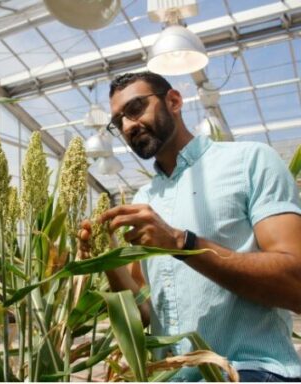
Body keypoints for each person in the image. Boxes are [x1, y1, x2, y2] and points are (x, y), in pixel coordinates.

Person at [78, 72, 301, 382]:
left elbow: (296, 286)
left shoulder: (251, 161)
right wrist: (107, 259)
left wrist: (181, 243)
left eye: (135, 108)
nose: (128, 126)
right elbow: (144, 313)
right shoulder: (145, 199)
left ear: (174, 101)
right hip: (168, 377)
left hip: (247, 371)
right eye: (118, 122)